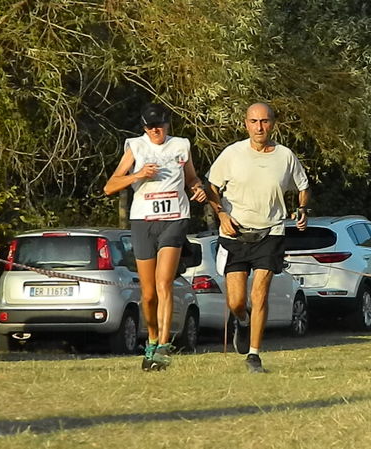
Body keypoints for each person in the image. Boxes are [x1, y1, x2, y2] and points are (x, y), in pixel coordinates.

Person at [207, 102, 310, 373]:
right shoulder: (232, 154)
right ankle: (241, 319)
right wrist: (222, 216)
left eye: (264, 121)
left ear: (273, 124)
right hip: (234, 233)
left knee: (260, 292)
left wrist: (302, 209)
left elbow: (303, 186)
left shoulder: (285, 156)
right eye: (254, 121)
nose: (259, 127)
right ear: (245, 124)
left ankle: (254, 355)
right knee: (236, 301)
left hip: (271, 231)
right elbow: (212, 187)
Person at [104, 102, 206, 371]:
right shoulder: (135, 146)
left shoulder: (181, 146)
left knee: (164, 284)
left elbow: (192, 178)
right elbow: (110, 186)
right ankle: (150, 338)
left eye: (159, 126)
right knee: (148, 294)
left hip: (175, 219)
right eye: (150, 127)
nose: (155, 131)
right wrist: (138, 175)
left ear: (167, 123)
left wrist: (198, 189)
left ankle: (162, 345)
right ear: (144, 127)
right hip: (143, 222)